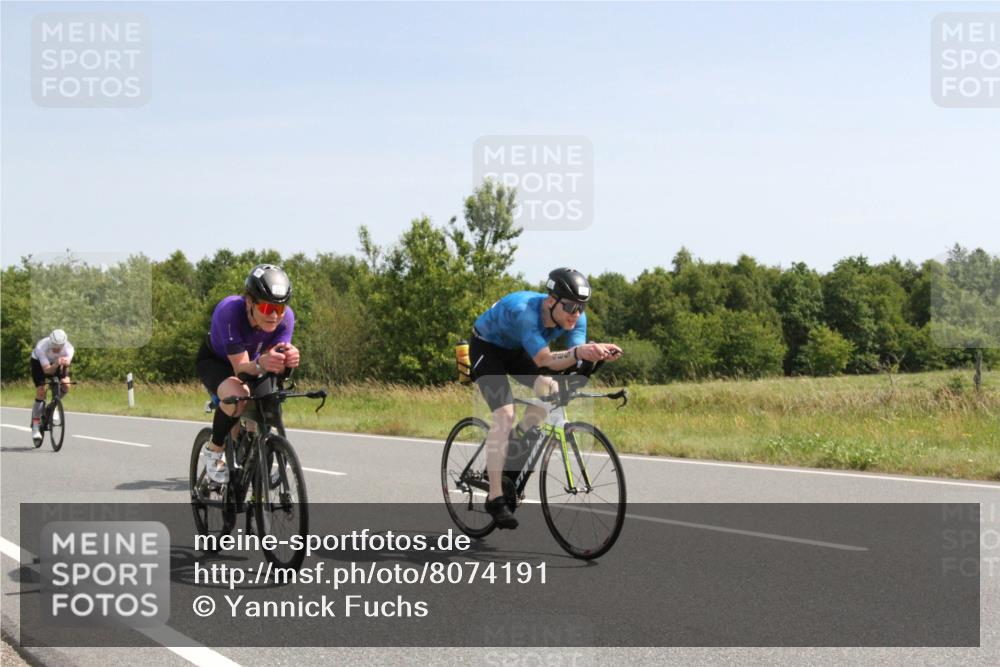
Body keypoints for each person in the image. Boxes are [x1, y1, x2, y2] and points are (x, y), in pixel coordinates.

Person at [469, 268, 622, 528]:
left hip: (519, 350)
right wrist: (580, 351)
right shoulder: (525, 312)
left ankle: (511, 451)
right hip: (487, 348)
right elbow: (544, 359)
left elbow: (569, 362)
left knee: (548, 394)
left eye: (581, 308)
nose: (576, 314)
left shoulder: (576, 319)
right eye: (571, 306)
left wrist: (592, 358)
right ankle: (494, 497)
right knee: (505, 413)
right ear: (551, 301)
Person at [195, 264, 301, 483]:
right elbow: (241, 369)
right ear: (250, 302)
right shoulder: (230, 311)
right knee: (237, 397)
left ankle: (256, 458)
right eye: (266, 308)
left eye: (279, 309)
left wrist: (288, 362)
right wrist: (263, 363)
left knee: (267, 403)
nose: (274, 315)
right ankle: (215, 451)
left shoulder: (286, 318)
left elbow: (275, 367)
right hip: (218, 362)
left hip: (255, 362)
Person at [30, 329, 74, 444]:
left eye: (60, 346)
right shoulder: (41, 347)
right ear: (50, 342)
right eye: (54, 345)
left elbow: (67, 364)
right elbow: (47, 370)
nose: (57, 349)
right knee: (41, 391)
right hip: (39, 364)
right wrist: (56, 363)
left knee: (66, 385)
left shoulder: (69, 348)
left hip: (57, 363)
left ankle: (53, 405)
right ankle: (35, 425)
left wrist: (64, 362)